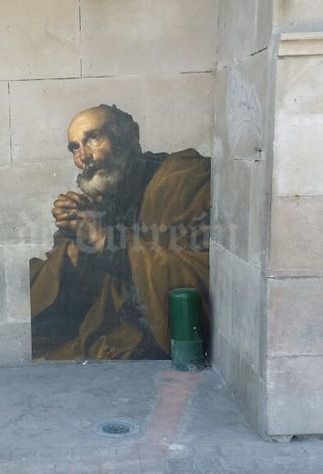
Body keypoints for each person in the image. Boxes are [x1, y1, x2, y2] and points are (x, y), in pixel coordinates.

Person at [29, 104, 210, 360]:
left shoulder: (182, 178)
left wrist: (103, 239)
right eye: (75, 148)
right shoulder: (106, 197)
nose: (84, 157)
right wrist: (75, 242)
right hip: (109, 336)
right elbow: (88, 292)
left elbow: (198, 275)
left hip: (154, 345)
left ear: (130, 136)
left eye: (93, 138)